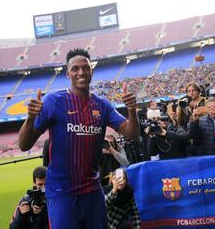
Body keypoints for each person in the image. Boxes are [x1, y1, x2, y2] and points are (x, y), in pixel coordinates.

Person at [18, 48, 140, 229]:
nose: (81, 72)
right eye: (75, 69)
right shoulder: (54, 101)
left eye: (85, 68)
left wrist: (131, 110)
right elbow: (23, 144)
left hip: (93, 189)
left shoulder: (102, 105)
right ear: (68, 73)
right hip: (62, 193)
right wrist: (30, 118)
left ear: (92, 70)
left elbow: (131, 133)